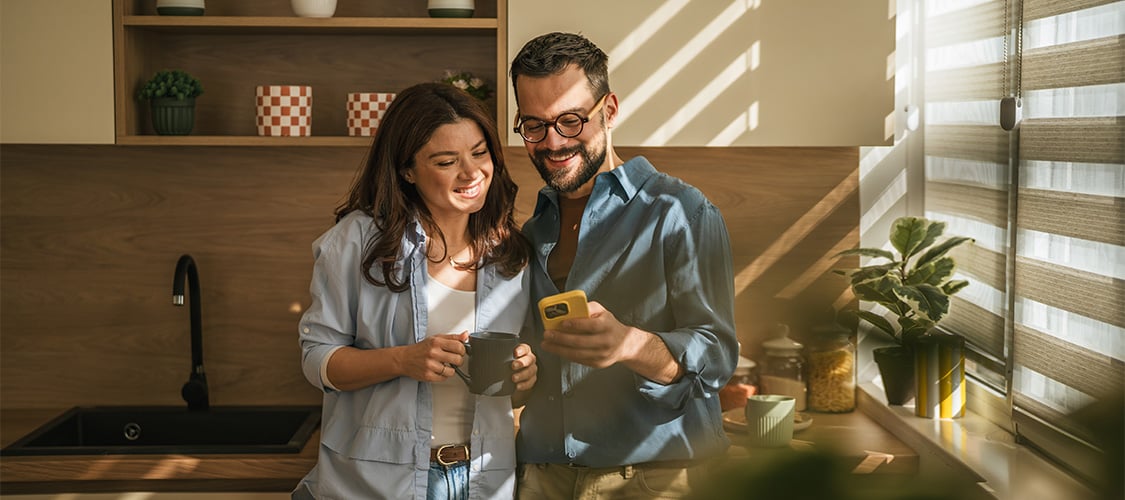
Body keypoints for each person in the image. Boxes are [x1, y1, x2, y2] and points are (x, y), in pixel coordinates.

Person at [509, 32, 739, 499]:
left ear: (609, 111)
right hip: (543, 474)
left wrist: (630, 345)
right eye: (533, 125)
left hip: (651, 478)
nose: (552, 143)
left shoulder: (681, 212)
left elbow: (716, 357)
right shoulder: (532, 231)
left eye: (570, 121)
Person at [292, 82, 538, 500]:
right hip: (378, 484)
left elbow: (519, 386)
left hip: (484, 479)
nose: (471, 173)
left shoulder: (511, 254)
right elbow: (317, 361)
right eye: (446, 161)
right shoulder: (357, 243)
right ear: (407, 170)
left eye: (480, 153)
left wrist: (526, 375)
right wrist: (404, 360)